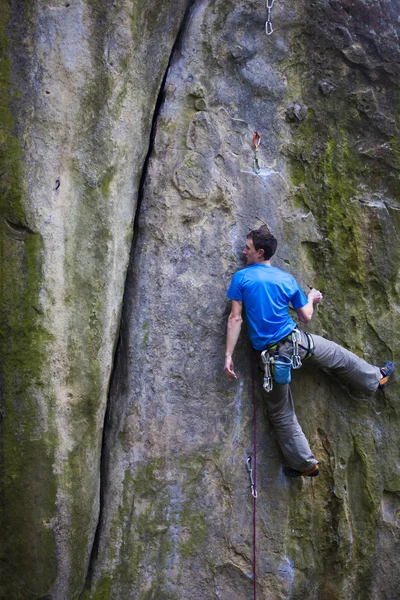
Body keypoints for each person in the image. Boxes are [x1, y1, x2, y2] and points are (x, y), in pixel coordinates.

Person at [224, 226, 395, 478]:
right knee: (338, 356)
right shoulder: (286, 279)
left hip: (272, 359)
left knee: (281, 412)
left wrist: (228, 356)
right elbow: (305, 317)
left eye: (247, 248)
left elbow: (235, 319)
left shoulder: (241, 279)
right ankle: (374, 378)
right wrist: (311, 297)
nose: (243, 251)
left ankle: (305, 465)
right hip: (297, 342)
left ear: (259, 253)